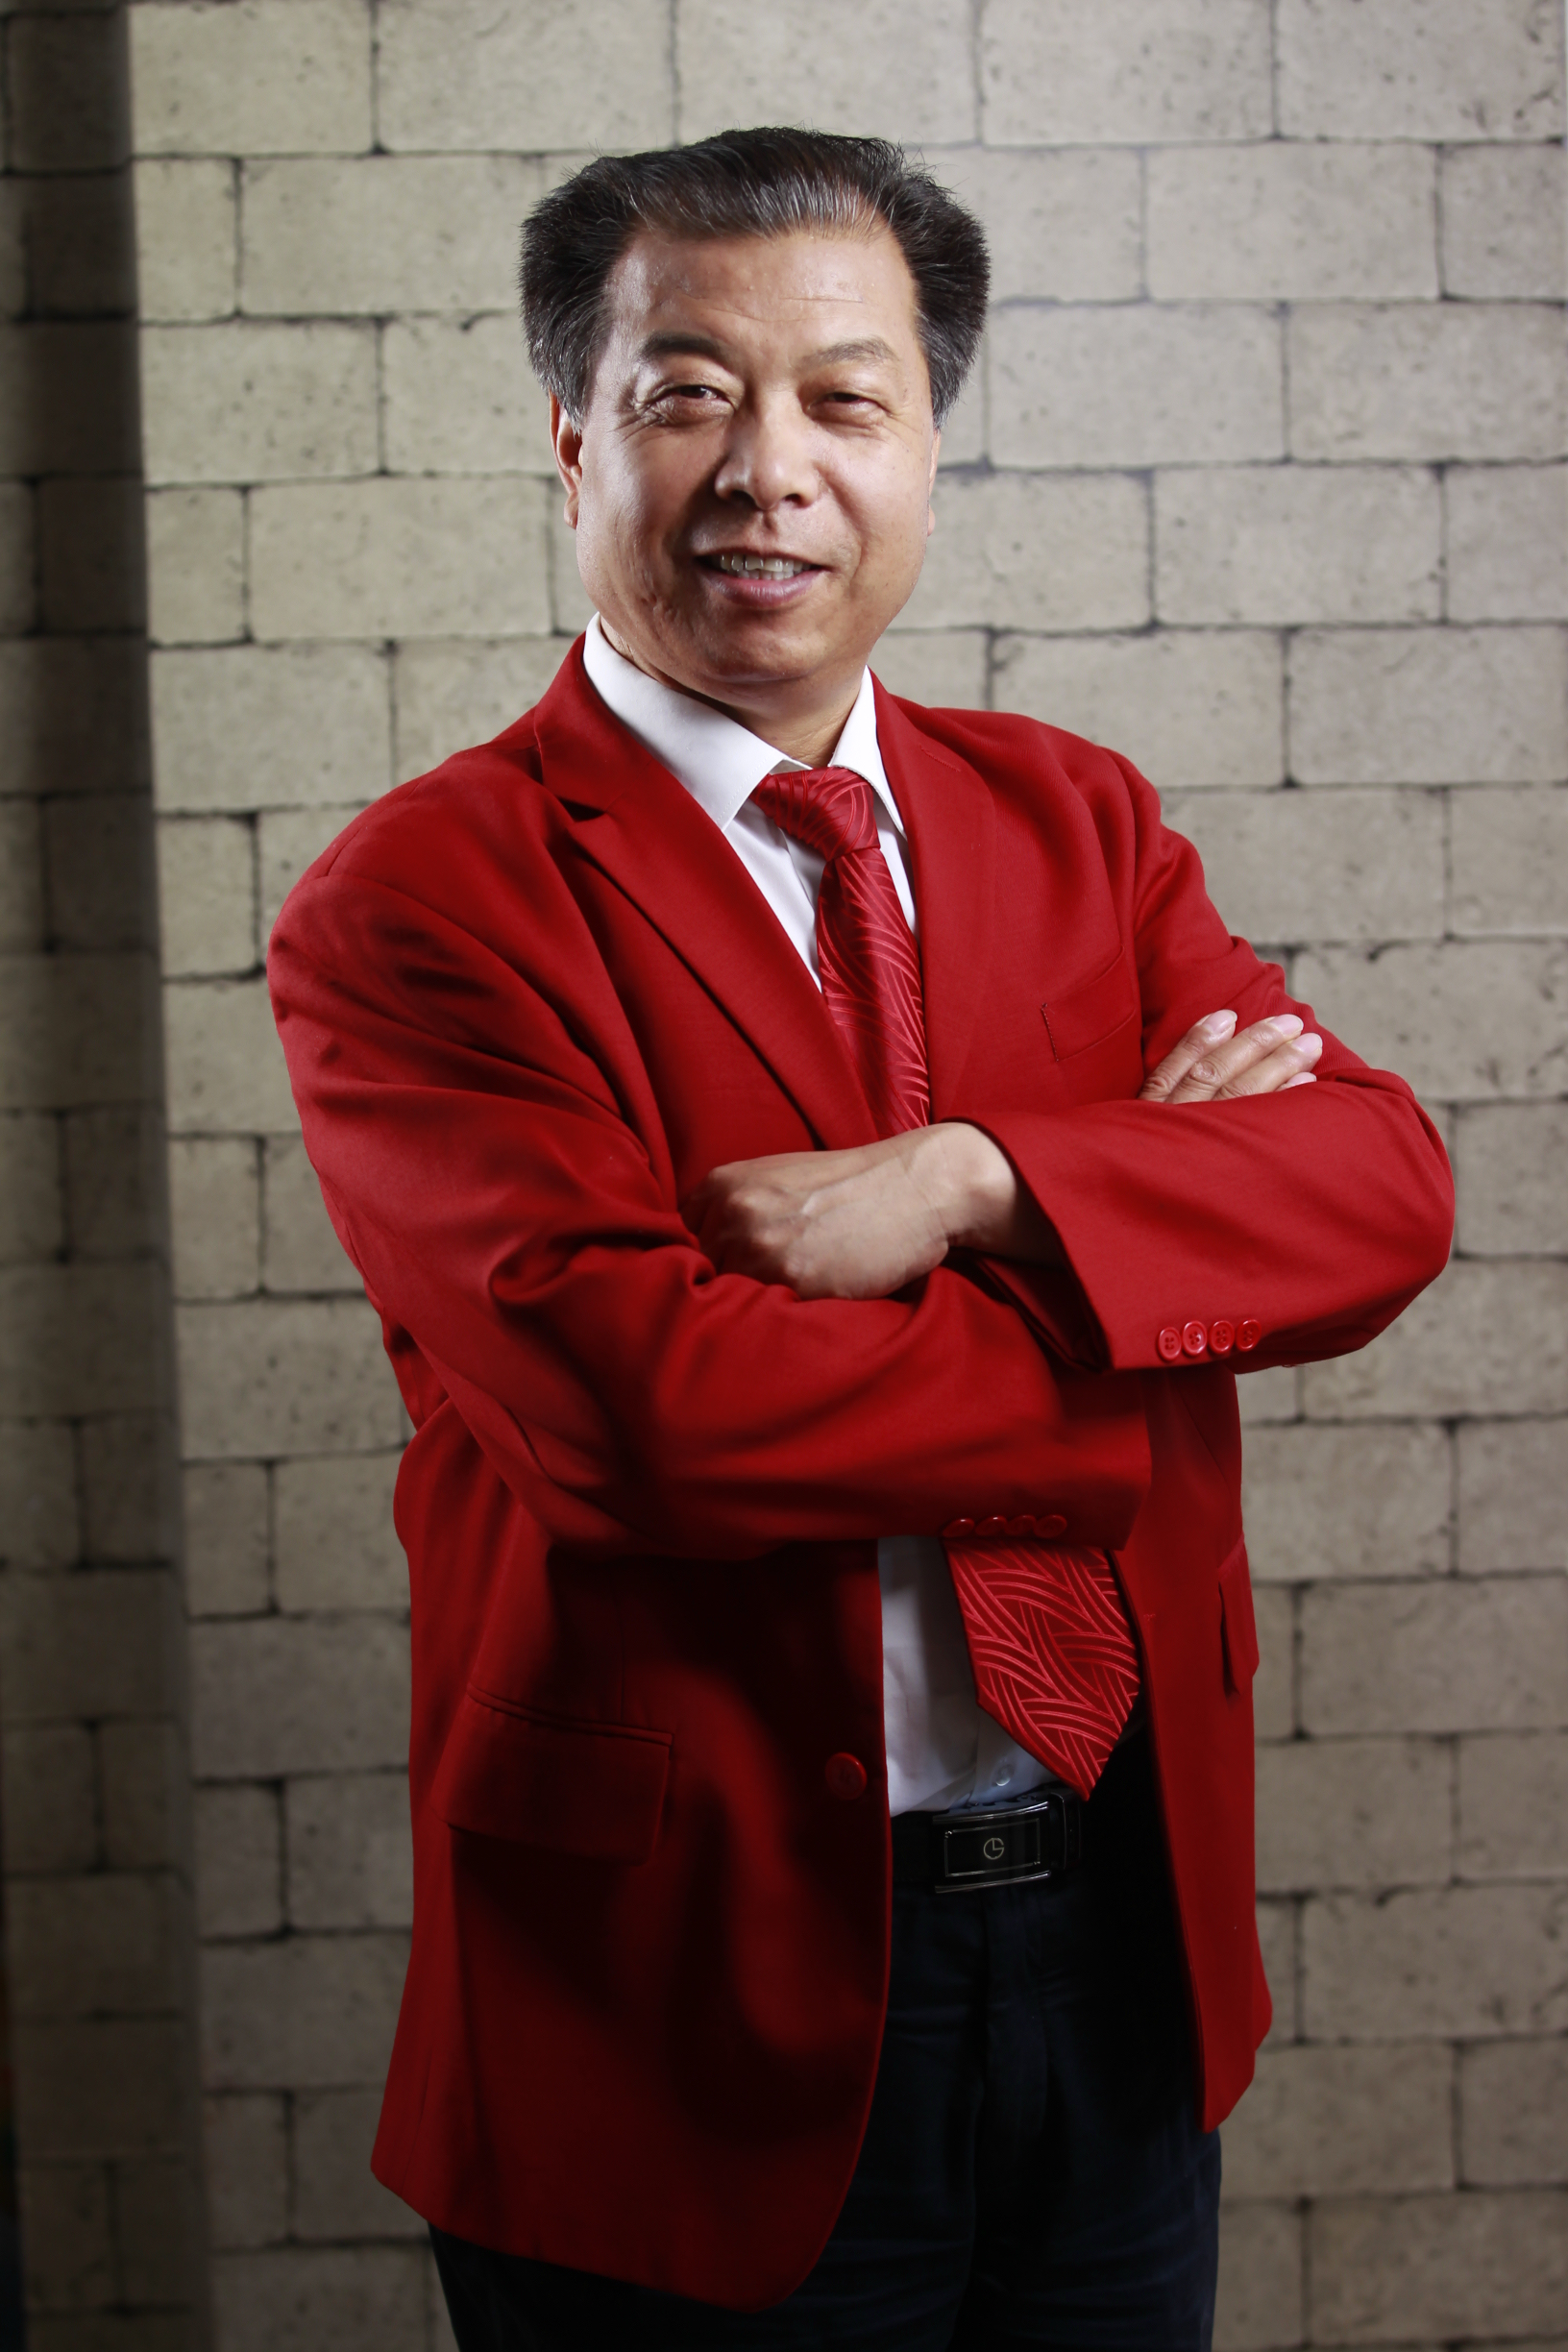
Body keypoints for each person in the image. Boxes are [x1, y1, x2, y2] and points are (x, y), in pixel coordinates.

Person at [267, 128, 1452, 2351]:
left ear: (925, 450)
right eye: (688, 395)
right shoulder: (426, 903)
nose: (769, 472)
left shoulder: (1075, 822)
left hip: (1117, 1945)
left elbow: (1382, 1190)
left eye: (844, 400)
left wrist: (975, 1176)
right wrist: (1147, 1319)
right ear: (573, 437)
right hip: (678, 1994)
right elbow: (649, 1411)